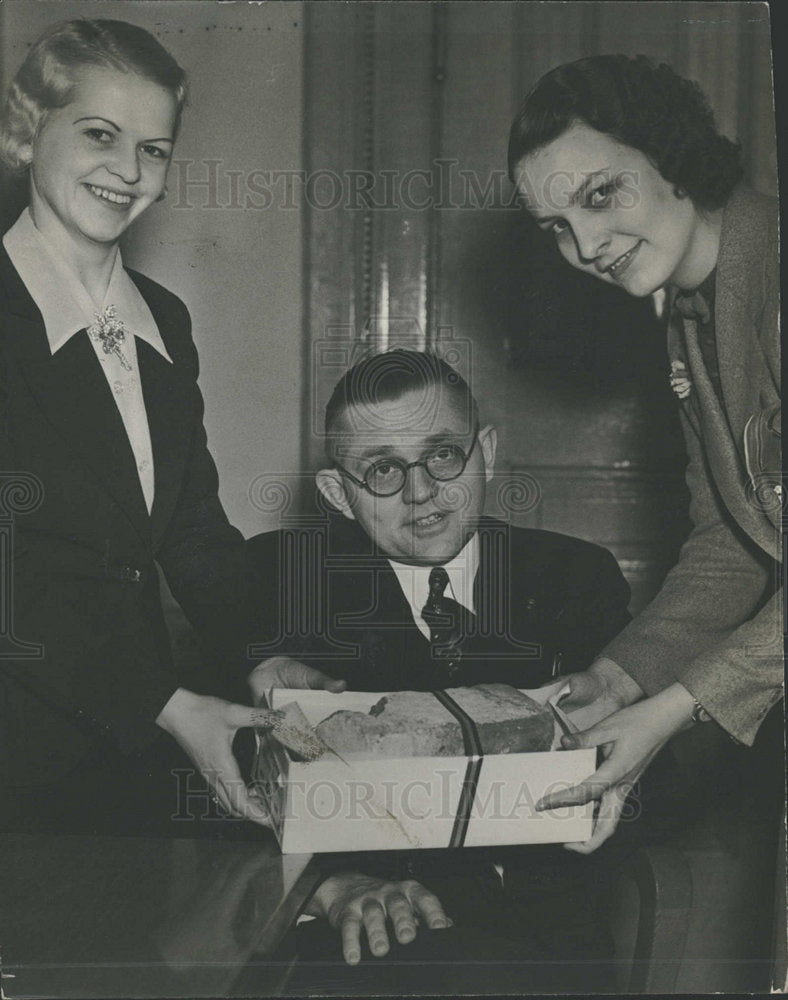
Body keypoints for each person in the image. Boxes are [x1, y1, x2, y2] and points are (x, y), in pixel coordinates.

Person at [0, 18, 340, 837]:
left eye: (153, 148)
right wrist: (162, 702)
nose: (128, 169)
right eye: (100, 135)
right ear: (24, 132)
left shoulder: (164, 321)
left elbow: (190, 526)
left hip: (129, 744)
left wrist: (262, 653)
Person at [247, 349, 636, 992]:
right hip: (369, 947)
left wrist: (597, 776)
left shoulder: (574, 576)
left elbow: (660, 784)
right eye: (382, 469)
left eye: (444, 456)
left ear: (486, 451)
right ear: (337, 494)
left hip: (545, 950)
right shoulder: (276, 583)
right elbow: (215, 785)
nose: (421, 491)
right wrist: (327, 888)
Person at [507, 54, 782, 851]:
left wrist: (672, 710)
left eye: (600, 195)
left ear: (674, 156)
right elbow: (734, 542)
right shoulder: (692, 314)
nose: (587, 244)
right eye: (557, 226)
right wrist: (618, 678)